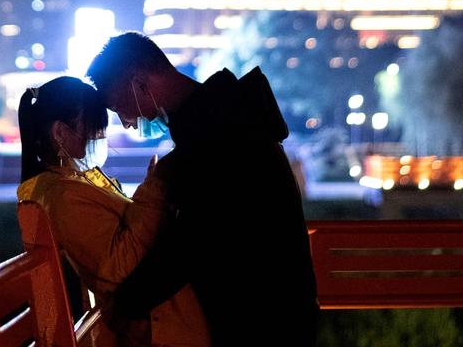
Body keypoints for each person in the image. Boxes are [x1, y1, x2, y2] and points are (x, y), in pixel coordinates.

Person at [87, 32, 318, 346]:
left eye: (120, 107)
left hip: (262, 320)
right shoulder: (225, 118)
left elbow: (194, 240)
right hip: (276, 310)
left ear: (140, 84)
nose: (127, 122)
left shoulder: (217, 136)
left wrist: (127, 302)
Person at [17, 76, 209, 347]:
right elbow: (117, 268)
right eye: (94, 129)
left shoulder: (73, 183)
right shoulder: (64, 195)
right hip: (158, 330)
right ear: (60, 133)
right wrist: (155, 188)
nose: (100, 137)